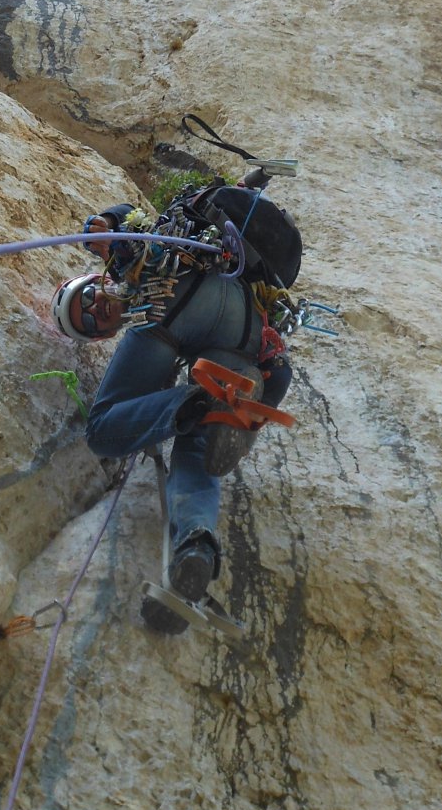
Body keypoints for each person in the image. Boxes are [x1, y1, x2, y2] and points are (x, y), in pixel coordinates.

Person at [51, 200, 293, 633]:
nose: (93, 309)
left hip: (174, 303)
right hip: (242, 331)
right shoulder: (183, 244)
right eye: (86, 322)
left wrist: (105, 224)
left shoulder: (126, 263)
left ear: (96, 279)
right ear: (103, 336)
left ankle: (199, 403)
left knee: (104, 430)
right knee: (202, 442)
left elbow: (126, 218)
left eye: (85, 297)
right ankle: (196, 547)